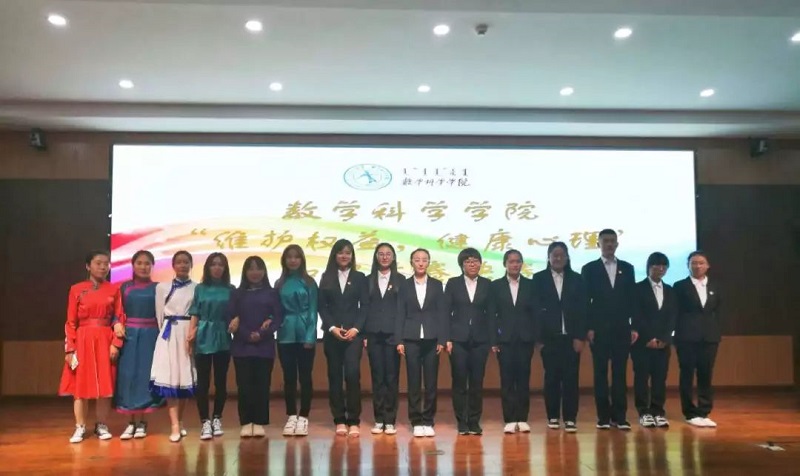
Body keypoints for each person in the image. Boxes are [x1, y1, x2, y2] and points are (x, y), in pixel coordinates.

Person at [60, 250, 125, 443]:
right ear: (88, 266)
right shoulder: (76, 289)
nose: (103, 267)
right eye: (98, 263)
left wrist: (116, 344)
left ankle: (101, 425)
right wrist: (70, 348)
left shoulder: (114, 289)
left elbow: (119, 317)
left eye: (106, 263)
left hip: (105, 339)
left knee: (105, 384)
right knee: (80, 386)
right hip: (83, 339)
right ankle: (80, 426)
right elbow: (70, 322)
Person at [581, 229, 637, 430]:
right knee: (600, 374)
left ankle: (620, 417)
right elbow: (585, 301)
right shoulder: (589, 269)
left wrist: (633, 326)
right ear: (599, 244)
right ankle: (603, 417)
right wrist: (588, 327)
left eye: (613, 241)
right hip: (599, 330)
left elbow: (632, 299)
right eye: (605, 241)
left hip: (622, 328)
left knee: (620, 374)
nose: (609, 244)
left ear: (617, 244)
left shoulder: (627, 268)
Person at [532, 242, 587, 433]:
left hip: (572, 338)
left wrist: (580, 337)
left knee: (571, 379)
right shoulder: (539, 279)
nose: (557, 258)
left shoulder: (577, 279)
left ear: (567, 257)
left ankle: (570, 418)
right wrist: (539, 340)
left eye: (561, 255)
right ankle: (553, 416)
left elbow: (582, 310)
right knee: (551, 379)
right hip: (549, 339)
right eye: (554, 255)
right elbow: (535, 312)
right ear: (548, 258)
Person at [227, 256, 283, 438]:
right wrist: (246, 334)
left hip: (264, 346)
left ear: (264, 271)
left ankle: (259, 422)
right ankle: (246, 422)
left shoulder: (272, 293)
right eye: (250, 269)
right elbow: (230, 317)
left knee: (262, 385)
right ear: (245, 272)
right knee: (244, 386)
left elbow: (277, 318)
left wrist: (261, 333)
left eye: (258, 268)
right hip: (242, 346)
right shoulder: (237, 293)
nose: (255, 272)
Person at [318, 239, 369, 437]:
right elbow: (322, 306)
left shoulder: (360, 277)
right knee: (335, 376)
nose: (344, 256)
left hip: (353, 336)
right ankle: (339, 419)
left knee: (353, 375)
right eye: (340, 252)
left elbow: (364, 306)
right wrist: (331, 328)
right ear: (334, 255)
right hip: (332, 336)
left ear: (352, 256)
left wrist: (356, 328)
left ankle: (354, 420)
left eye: (348, 252)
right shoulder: (326, 277)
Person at [395, 248, 448, 438]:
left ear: (429, 262)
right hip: (411, 338)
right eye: (417, 259)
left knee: (431, 382)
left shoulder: (437, 284)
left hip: (432, 338)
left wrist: (442, 339)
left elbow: (442, 313)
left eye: (424, 259)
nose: (420, 263)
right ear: (411, 262)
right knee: (414, 382)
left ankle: (428, 419)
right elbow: (400, 312)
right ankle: (416, 420)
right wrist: (399, 340)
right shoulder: (404, 285)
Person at [115, 250, 165, 440]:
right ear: (133, 265)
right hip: (129, 336)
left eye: (147, 263)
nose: (143, 267)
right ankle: (130, 422)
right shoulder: (124, 288)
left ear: (152, 266)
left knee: (146, 377)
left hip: (151, 336)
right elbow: (116, 312)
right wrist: (117, 324)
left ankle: (143, 422)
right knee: (128, 376)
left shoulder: (158, 288)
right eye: (139, 263)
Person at [445, 247, 495, 436]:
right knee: (459, 382)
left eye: (475, 261)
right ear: (461, 265)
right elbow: (445, 312)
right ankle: (461, 421)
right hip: (458, 340)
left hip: (480, 340)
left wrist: (492, 340)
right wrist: (447, 338)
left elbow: (491, 314)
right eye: (468, 261)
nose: (472, 264)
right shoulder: (453, 283)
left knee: (476, 382)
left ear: (480, 264)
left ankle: (474, 421)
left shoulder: (487, 284)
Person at [150, 250, 197, 442]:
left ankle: (181, 420)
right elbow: (159, 314)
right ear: (173, 265)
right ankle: (174, 425)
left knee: (184, 378)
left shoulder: (197, 288)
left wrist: (192, 331)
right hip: (169, 335)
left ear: (191, 265)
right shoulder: (162, 287)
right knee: (170, 379)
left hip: (188, 333)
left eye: (186, 262)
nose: (183, 265)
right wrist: (166, 333)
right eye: (179, 262)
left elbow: (197, 312)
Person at [187, 252, 234, 440]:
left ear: (225, 268)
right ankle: (204, 421)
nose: (217, 268)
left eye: (221, 264)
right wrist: (191, 335)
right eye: (213, 264)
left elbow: (236, 313)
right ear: (207, 267)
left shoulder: (231, 289)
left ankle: (217, 418)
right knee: (203, 382)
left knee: (221, 381)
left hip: (222, 334)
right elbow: (195, 312)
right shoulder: (200, 288)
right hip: (203, 334)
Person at [673, 251, 722, 428]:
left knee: (706, 374)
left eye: (701, 263)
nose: (697, 266)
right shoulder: (680, 286)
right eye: (693, 263)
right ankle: (689, 412)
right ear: (688, 265)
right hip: (686, 337)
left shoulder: (715, 286)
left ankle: (704, 411)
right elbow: (675, 312)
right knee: (687, 374)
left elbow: (719, 311)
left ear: (707, 266)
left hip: (709, 337)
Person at [490, 249, 537, 434]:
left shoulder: (531, 285)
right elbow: (492, 315)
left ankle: (522, 418)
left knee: (524, 379)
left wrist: (534, 336)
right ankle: (510, 419)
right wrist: (494, 339)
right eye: (511, 261)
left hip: (525, 339)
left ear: (522, 264)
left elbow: (535, 314)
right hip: (504, 340)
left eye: (518, 261)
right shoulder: (496, 286)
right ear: (505, 264)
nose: (515, 264)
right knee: (507, 379)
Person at [275, 244, 318, 437]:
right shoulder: (279, 283)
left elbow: (313, 310)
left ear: (302, 260)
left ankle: (304, 415)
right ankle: (291, 415)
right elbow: (276, 310)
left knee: (305, 376)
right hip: (285, 334)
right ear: (284, 260)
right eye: (289, 257)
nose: (293, 260)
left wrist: (310, 336)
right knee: (289, 377)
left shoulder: (309, 282)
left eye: (296, 257)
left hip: (304, 331)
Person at [631, 252, 678, 428]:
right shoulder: (637, 289)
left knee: (660, 378)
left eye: (664, 266)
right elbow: (637, 316)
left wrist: (664, 338)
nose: (660, 269)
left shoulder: (671, 291)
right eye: (656, 265)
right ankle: (644, 411)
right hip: (642, 342)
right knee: (642, 378)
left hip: (663, 343)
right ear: (649, 267)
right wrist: (649, 337)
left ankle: (658, 411)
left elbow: (672, 317)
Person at [364, 243, 405, 435]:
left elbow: (402, 311)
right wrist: (364, 334)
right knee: (377, 376)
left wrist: (400, 337)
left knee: (391, 377)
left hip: (392, 335)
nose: (384, 257)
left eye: (388, 254)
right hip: (373, 334)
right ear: (376, 257)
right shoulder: (368, 280)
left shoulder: (401, 280)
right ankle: (379, 418)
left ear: (394, 257)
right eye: (381, 254)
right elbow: (363, 308)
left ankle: (390, 419)